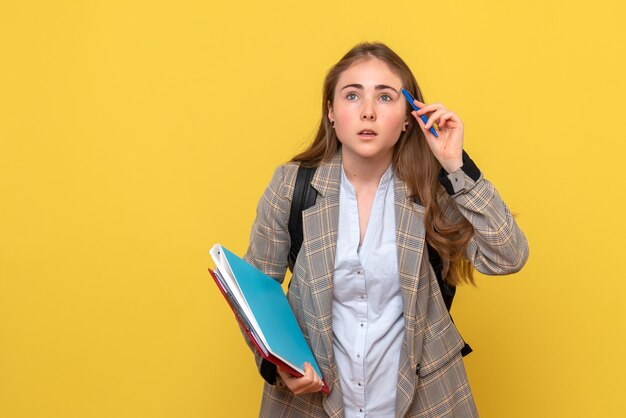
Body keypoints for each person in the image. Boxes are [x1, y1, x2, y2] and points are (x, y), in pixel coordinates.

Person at [242, 42, 529, 418]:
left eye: (385, 97)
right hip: (313, 403)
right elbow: (255, 294)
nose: (367, 112)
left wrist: (455, 165)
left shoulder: (431, 188)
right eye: (352, 95)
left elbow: (508, 256)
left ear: (409, 116)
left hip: (425, 400)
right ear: (331, 112)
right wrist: (279, 364)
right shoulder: (290, 185)